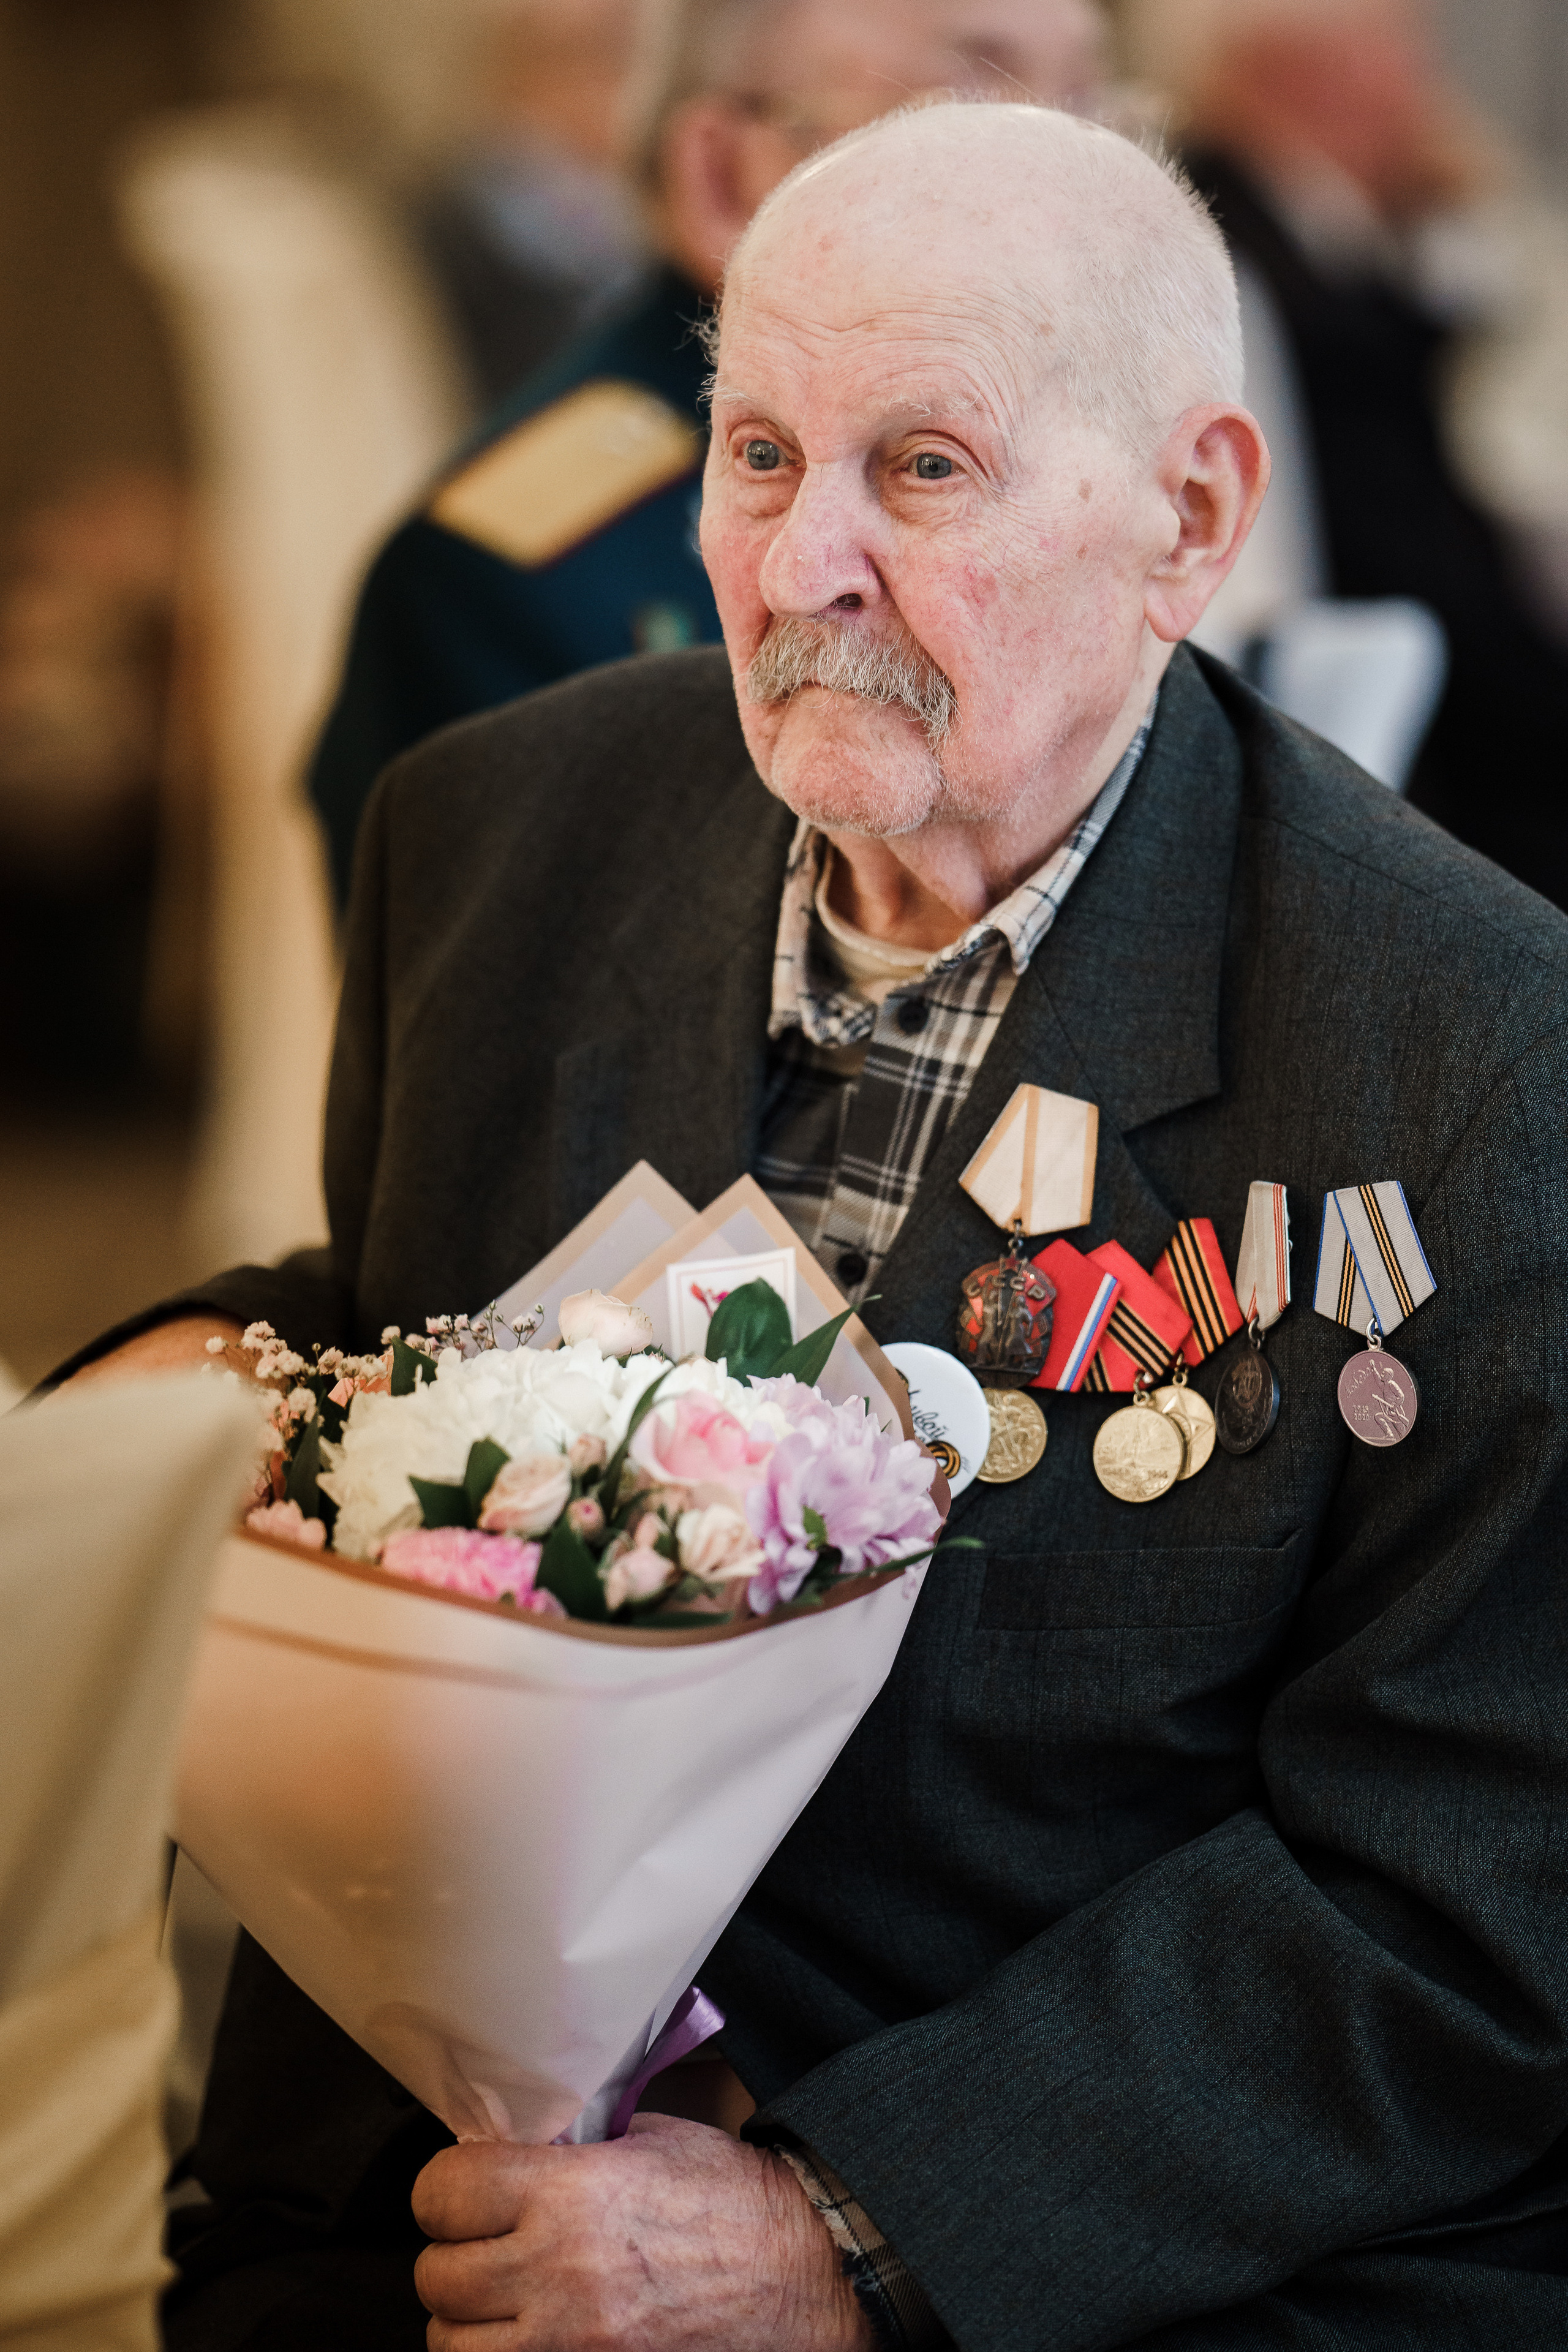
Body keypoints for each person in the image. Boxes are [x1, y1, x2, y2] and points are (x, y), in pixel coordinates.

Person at [64, 100, 1568, 2351]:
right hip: (427, 2192)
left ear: (1190, 519)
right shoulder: (496, 836)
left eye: (923, 469)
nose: (800, 566)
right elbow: (402, 1309)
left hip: (1061, 2257)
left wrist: (841, 2236)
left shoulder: (1471, 1056)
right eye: (758, 453)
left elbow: (1462, 1888)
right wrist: (166, 1409)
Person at [307, 0, 1109, 905]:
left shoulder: (1107, 470)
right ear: (726, 176)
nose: (1087, 177)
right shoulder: (513, 585)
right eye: (977, 99)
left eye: (1092, 101)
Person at [1123, 0, 1568, 909]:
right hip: (1393, 727)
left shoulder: (1366, 230)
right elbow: (1400, 551)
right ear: (1302, 73)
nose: (1423, 80)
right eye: (1393, 45)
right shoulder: (1225, 239)